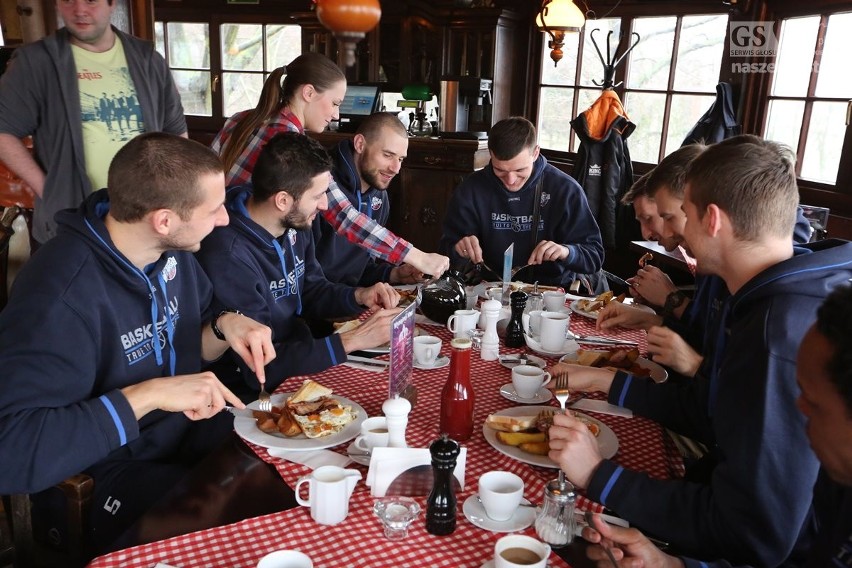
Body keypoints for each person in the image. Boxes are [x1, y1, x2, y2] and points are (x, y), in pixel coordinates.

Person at [546, 135, 852, 565]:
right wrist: (608, 381)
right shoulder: (777, 292)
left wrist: (599, 475)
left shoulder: (776, 331)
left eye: (683, 215)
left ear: (711, 219)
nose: (677, 233)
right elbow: (713, 413)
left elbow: (754, 532)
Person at [0, 133, 275, 554]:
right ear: (163, 220)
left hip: (180, 434)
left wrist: (223, 326)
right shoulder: (60, 295)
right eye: (214, 209)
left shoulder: (172, 254)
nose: (225, 219)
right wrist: (149, 394)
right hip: (109, 468)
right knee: (244, 529)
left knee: (284, 465)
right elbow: (12, 449)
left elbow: (187, 341)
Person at [582, 284, 852, 568]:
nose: (799, 409)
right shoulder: (838, 481)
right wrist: (671, 565)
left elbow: (749, 533)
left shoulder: (775, 324)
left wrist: (599, 475)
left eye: (814, 402)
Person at [197, 132, 402, 398]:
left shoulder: (293, 221)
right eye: (317, 196)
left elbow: (311, 289)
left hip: (301, 355)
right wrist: (354, 340)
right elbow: (262, 367)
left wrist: (359, 295)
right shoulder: (229, 256)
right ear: (283, 201)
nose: (325, 204)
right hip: (252, 391)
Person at [212, 52, 448, 279]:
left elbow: (208, 178)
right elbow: (344, 216)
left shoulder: (240, 118)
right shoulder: (294, 145)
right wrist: (416, 256)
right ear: (308, 93)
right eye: (335, 103)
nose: (336, 115)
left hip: (215, 239)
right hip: (250, 252)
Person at [0, 0, 186, 246]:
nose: (79, 10)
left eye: (90, 0)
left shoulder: (147, 59)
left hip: (144, 215)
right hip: (72, 219)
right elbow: (3, 131)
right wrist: (49, 189)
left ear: (111, 4)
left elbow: (176, 134)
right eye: (68, 0)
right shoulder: (36, 62)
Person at [439, 116, 604, 289]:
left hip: (551, 291)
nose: (510, 180)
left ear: (535, 153)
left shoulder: (565, 190)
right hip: (490, 289)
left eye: (520, 170)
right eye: (500, 170)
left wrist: (566, 252)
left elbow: (594, 257)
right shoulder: (471, 189)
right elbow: (445, 251)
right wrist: (458, 247)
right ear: (491, 154)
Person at [313, 112, 422, 286]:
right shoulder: (319, 185)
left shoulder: (380, 196)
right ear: (360, 144)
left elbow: (361, 270)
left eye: (400, 159)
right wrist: (357, 297)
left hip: (349, 300)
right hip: (315, 306)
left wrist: (392, 275)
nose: (396, 168)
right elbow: (307, 282)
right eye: (387, 155)